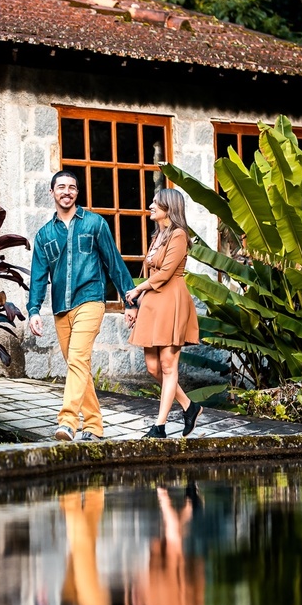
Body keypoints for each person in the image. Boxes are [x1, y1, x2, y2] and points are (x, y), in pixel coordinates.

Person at [29, 170, 138, 441]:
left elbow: (114, 262)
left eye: (72, 188)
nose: (67, 192)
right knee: (79, 366)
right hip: (60, 309)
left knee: (77, 360)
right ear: (52, 192)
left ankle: (67, 422)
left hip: (90, 300)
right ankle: (94, 425)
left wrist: (130, 300)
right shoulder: (44, 235)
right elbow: (39, 276)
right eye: (61, 187)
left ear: (77, 193)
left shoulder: (95, 224)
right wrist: (33, 310)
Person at [124, 188, 202, 438]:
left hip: (172, 301)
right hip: (153, 302)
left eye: (156, 203)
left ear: (169, 208)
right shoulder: (158, 235)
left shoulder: (178, 235)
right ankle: (190, 407)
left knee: (168, 366)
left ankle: (159, 426)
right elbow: (151, 274)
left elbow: (166, 273)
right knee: (153, 367)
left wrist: (136, 290)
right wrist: (139, 304)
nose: (151, 206)